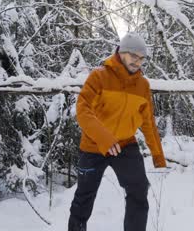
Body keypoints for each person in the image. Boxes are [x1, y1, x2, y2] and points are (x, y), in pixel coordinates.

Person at [68, 33, 167, 231]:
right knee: (84, 197)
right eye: (133, 56)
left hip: (125, 145)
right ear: (121, 53)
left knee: (139, 191)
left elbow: (148, 122)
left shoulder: (142, 85)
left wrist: (158, 156)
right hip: (93, 145)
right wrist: (104, 138)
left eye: (142, 58)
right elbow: (83, 109)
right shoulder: (99, 76)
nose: (137, 62)